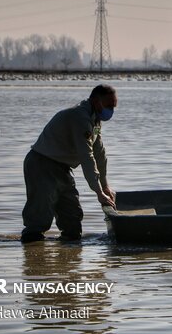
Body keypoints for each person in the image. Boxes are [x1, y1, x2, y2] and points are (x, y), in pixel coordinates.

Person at [21, 84, 117, 243]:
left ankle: (68, 259)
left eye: (114, 106)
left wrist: (105, 185)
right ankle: (33, 255)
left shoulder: (95, 120)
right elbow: (87, 156)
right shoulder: (80, 118)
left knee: (72, 220)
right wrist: (99, 193)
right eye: (108, 105)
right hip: (42, 164)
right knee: (39, 219)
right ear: (95, 101)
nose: (111, 110)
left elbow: (99, 152)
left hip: (63, 168)